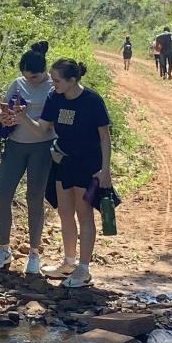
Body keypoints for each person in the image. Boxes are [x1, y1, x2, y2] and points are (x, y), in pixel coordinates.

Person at [40, 59, 113, 290]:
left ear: (72, 80)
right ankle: (68, 263)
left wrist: (105, 170)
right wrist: (20, 118)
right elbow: (43, 128)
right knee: (64, 213)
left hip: (88, 165)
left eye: (57, 80)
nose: (53, 84)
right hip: (64, 163)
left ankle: (84, 268)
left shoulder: (92, 101)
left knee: (84, 215)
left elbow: (105, 138)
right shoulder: (54, 98)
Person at [0, 41, 55, 277]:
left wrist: (24, 117)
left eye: (35, 77)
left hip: (41, 147)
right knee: (2, 194)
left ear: (44, 71)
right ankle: (3, 248)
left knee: (34, 198)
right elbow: (1, 108)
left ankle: (34, 252)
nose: (30, 80)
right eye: (26, 76)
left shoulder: (52, 87)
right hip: (15, 145)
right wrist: (3, 117)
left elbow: (48, 126)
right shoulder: (17, 83)